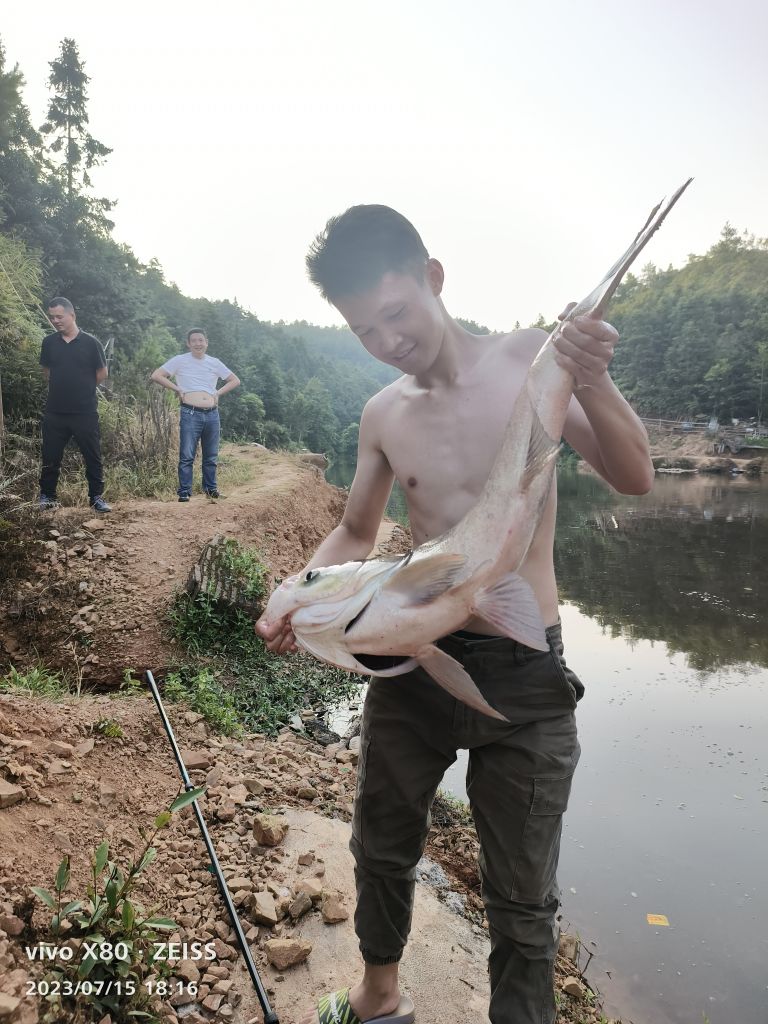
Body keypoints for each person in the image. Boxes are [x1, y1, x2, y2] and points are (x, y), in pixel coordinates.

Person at [256, 205, 654, 1024]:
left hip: (524, 670)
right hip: (410, 663)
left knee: (522, 895)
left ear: (434, 278)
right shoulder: (383, 415)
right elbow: (355, 531)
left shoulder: (528, 362)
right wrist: (299, 597)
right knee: (380, 843)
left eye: (396, 313)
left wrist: (593, 374)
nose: (387, 339)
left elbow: (633, 475)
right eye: (364, 329)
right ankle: (379, 994)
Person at [39, 297, 111, 513]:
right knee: (50, 456)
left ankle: (96, 498)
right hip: (55, 411)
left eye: (59, 317)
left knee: (92, 455)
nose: (55, 321)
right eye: (52, 317)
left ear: (72, 315)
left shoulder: (91, 343)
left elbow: (102, 374)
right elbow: (47, 372)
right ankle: (47, 496)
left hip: (84, 411)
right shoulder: (49, 342)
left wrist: (82, 388)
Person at [150, 329, 240, 501]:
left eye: (201, 340)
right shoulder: (180, 360)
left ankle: (211, 490)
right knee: (187, 455)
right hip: (190, 412)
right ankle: (184, 492)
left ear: (206, 342)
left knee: (211, 455)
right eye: (194, 341)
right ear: (188, 344)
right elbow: (157, 375)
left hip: (212, 414)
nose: (198, 343)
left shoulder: (214, 362)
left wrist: (218, 393)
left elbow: (235, 380)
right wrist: (177, 389)